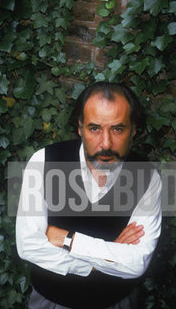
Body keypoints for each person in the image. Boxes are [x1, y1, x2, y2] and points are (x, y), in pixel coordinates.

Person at [15, 82, 162, 309]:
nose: (106, 143)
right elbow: (28, 246)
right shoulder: (44, 162)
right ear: (80, 127)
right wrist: (99, 263)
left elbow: (136, 263)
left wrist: (68, 240)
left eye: (117, 129)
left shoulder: (147, 176)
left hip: (117, 302)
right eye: (94, 128)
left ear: (133, 130)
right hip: (51, 302)